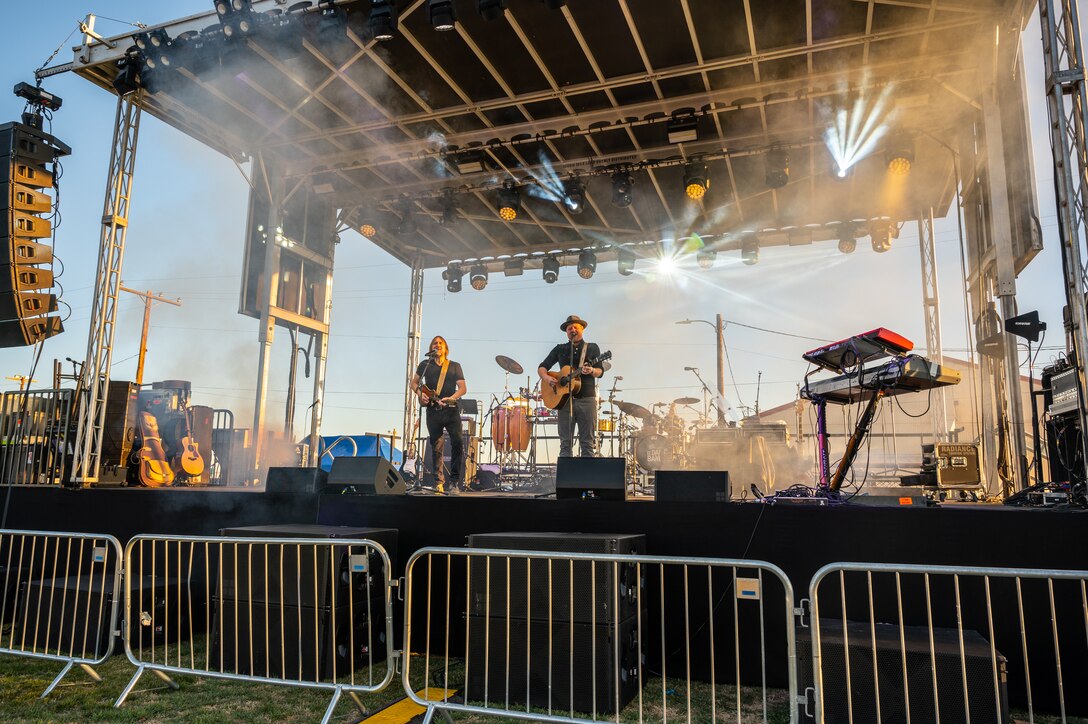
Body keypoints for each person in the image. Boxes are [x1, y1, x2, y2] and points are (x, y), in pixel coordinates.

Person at [538, 315, 604, 458]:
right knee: (565, 444)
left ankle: (587, 479)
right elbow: (543, 367)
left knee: (587, 443)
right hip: (564, 401)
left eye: (575, 327)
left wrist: (592, 370)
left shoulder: (592, 347)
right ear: (566, 333)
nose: (572, 330)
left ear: (582, 329)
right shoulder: (560, 349)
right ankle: (566, 479)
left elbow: (600, 371)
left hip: (587, 399)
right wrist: (547, 378)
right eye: (569, 328)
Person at [410, 336, 467, 493]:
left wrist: (452, 397)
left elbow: (462, 388)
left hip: (451, 409)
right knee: (436, 446)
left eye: (440, 343)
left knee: (457, 443)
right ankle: (438, 482)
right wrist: (420, 393)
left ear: (446, 348)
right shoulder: (425, 365)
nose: (438, 345)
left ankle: (454, 482)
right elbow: (413, 382)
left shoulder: (455, 366)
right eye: (435, 343)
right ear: (431, 348)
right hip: (433, 409)